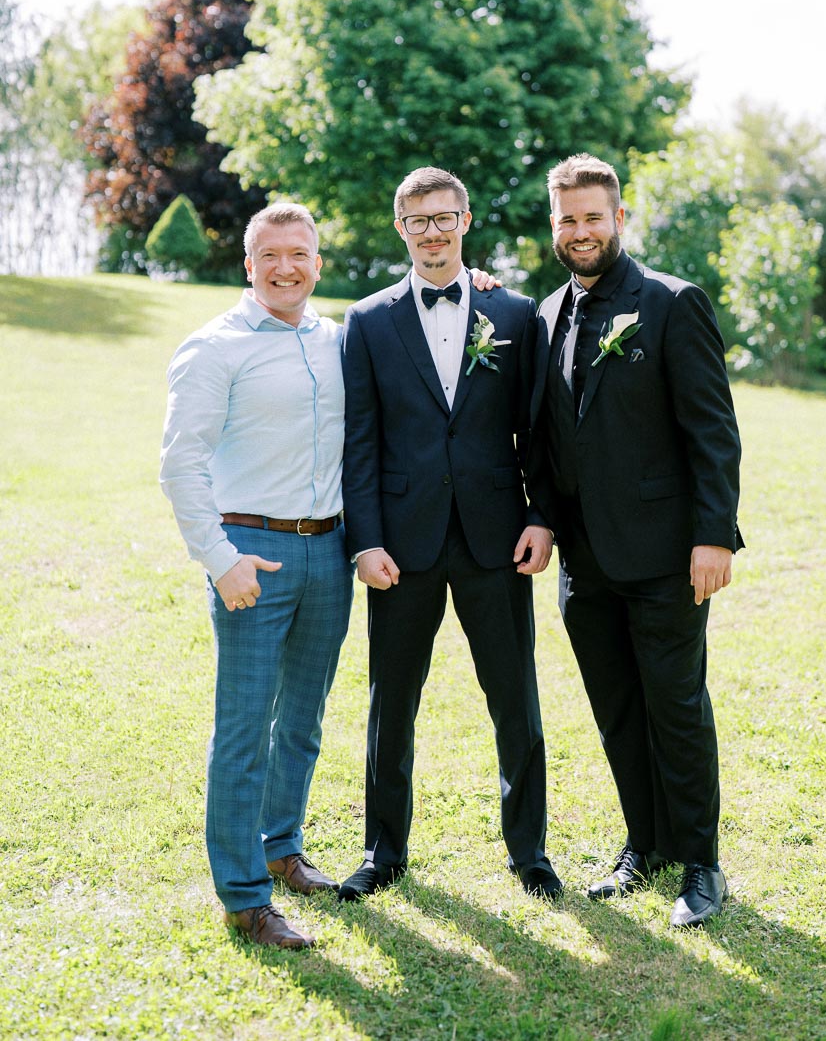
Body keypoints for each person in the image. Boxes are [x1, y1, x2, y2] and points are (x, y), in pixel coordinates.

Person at [337, 166, 562, 902]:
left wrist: (539, 517)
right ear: (400, 229)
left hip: (497, 537)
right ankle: (382, 852)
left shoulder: (517, 314)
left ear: (465, 220)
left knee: (515, 698)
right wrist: (364, 540)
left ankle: (529, 851)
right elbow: (360, 442)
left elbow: (538, 431)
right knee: (390, 703)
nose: (432, 232)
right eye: (417, 221)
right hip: (401, 546)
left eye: (444, 218)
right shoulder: (367, 321)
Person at [531, 154, 743, 928]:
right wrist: (546, 518)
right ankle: (643, 846)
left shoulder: (671, 304)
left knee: (675, 708)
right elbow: (549, 436)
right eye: (567, 219)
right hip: (584, 565)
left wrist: (713, 537)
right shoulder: (548, 311)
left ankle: (701, 864)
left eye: (593, 216)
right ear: (553, 225)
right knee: (617, 709)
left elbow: (713, 434)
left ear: (619, 218)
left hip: (665, 555)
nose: (580, 231)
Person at [160, 202, 353, 949]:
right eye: (270, 254)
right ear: (249, 264)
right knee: (243, 729)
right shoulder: (214, 347)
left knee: (301, 720)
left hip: (329, 551)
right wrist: (221, 560)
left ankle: (282, 848)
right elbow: (179, 465)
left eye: (298, 254)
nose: (285, 267)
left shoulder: (336, 339)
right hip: (252, 553)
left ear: (316, 261)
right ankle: (245, 898)